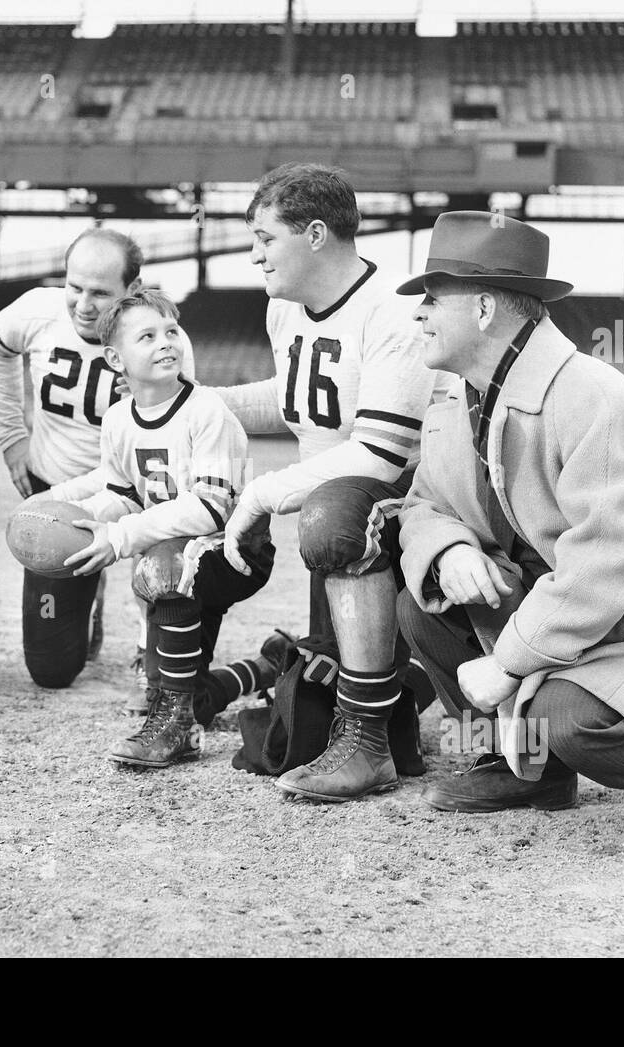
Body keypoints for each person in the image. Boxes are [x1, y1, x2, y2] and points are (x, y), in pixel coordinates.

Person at [394, 210, 624, 855]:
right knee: (424, 607)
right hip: (577, 607)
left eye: (433, 298)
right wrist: (448, 548)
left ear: (484, 309)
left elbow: (610, 561)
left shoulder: (593, 398)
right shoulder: (459, 396)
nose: (419, 313)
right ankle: (534, 773)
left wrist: (510, 663)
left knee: (564, 719)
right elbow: (421, 502)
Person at [213, 162, 450, 802]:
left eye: (265, 238)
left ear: (316, 234)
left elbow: (377, 455)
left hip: (410, 525)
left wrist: (262, 494)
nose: (254, 255)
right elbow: (296, 400)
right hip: (345, 525)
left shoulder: (394, 315)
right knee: (306, 715)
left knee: (327, 516)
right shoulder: (286, 311)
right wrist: (199, 405)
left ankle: (373, 735)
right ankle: (371, 682)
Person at [39, 290, 274, 767]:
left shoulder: (206, 409)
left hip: (235, 552)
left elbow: (210, 509)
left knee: (161, 565)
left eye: (171, 331)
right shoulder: (119, 418)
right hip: (178, 555)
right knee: (178, 687)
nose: (165, 343)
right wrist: (73, 515)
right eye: (147, 336)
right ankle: (270, 665)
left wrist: (121, 538)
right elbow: (124, 494)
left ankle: (175, 730)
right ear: (114, 358)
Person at [0, 229, 197, 697]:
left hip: (137, 492)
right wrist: (13, 436)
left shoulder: (164, 340)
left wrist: (148, 401)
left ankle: (145, 643)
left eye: (100, 292)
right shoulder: (36, 309)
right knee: (51, 672)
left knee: (159, 574)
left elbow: (177, 447)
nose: (82, 303)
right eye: (74, 286)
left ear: (133, 291)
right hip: (57, 494)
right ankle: (88, 591)